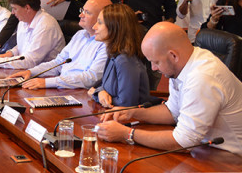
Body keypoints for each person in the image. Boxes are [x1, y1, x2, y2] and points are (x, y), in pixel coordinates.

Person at [96, 22, 242, 154]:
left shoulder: (202, 76)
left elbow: (184, 142)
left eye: (156, 62)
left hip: (229, 158)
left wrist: (127, 134)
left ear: (173, 56)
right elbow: (172, 112)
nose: (153, 68)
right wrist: (132, 112)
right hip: (205, 149)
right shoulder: (182, 64)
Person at [7, 0, 111, 89]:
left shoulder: (107, 44)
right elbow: (58, 63)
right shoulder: (80, 34)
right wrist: (32, 72)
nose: (80, 15)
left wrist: (48, 82)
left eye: (87, 12)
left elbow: (90, 79)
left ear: (102, 18)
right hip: (61, 86)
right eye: (82, 10)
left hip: (81, 94)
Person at [89, 4, 156, 108]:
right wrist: (100, 92)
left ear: (115, 27)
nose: (94, 27)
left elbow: (127, 103)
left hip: (133, 121)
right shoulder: (114, 54)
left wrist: (97, 95)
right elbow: (103, 86)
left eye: (100, 23)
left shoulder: (125, 60)